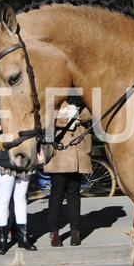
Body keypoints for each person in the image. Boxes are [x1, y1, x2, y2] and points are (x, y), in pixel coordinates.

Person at [44, 99, 91, 247]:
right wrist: (72, 121)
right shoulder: (55, 100)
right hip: (60, 154)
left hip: (78, 154)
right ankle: (54, 232)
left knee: (74, 194)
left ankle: (75, 231)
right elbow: (49, 118)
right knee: (57, 193)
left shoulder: (81, 100)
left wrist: (69, 116)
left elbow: (88, 115)